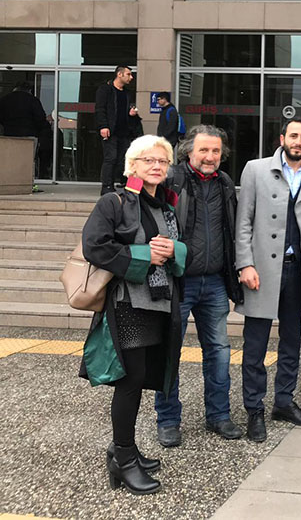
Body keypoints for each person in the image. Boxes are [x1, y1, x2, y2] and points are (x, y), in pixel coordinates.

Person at [80, 135, 186, 495]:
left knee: (142, 378)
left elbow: (180, 251)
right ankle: (123, 458)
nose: (156, 166)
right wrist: (144, 256)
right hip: (128, 303)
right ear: (132, 165)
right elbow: (95, 245)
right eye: (148, 160)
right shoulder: (114, 202)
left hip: (159, 302)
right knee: (130, 380)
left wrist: (174, 250)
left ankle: (123, 449)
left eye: (162, 161)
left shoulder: (166, 206)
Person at [235, 117, 301, 442]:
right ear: (282, 138)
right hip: (261, 271)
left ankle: (284, 402)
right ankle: (254, 411)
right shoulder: (255, 170)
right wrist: (245, 264)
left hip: (299, 271)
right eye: (294, 135)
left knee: (291, 341)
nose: (298, 142)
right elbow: (243, 222)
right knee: (255, 345)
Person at [154, 125, 243, 447]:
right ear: (188, 151)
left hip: (215, 282)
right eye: (203, 150)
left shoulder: (225, 183)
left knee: (219, 352)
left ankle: (219, 416)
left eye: (216, 151)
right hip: (177, 281)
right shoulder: (170, 179)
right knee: (169, 353)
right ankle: (168, 420)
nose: (210, 156)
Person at [96, 65, 143, 195]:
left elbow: (129, 110)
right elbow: (100, 109)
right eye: (128, 74)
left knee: (123, 159)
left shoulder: (127, 93)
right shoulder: (105, 90)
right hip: (111, 132)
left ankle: (124, 183)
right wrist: (103, 126)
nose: (131, 77)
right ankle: (107, 186)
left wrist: (132, 114)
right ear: (119, 74)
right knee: (110, 158)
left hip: (125, 132)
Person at [0, 78, 52, 178]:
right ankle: (26, 181)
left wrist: (7, 125)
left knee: (10, 161)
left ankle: (10, 181)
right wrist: (43, 131)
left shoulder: (4, 100)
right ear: (29, 90)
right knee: (27, 162)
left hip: (9, 135)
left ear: (15, 88)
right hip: (29, 135)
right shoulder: (33, 100)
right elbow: (40, 118)